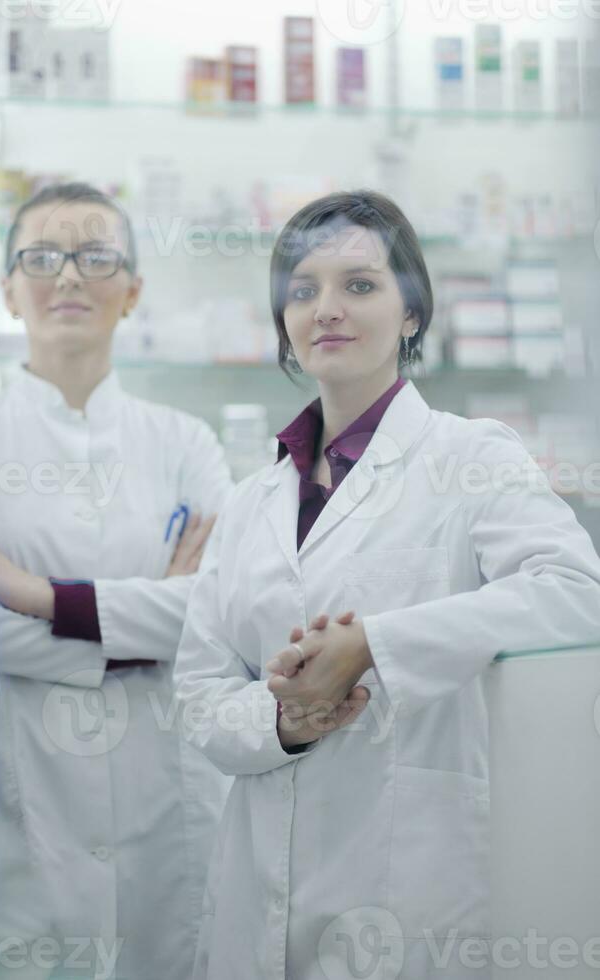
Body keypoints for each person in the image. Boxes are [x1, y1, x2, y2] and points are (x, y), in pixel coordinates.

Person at [173, 190, 600, 980]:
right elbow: (198, 693)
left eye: (360, 285)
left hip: (402, 879)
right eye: (303, 290)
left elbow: (576, 590)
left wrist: (375, 644)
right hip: (257, 878)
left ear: (412, 314)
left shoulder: (472, 457)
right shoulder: (251, 498)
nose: (327, 308)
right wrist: (289, 720)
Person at [0, 183, 232, 980]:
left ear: (132, 291)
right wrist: (137, 639)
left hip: (165, 789)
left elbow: (213, 612)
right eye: (42, 257)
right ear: (7, 288)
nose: (68, 276)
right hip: (18, 795)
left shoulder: (185, 441)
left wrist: (36, 596)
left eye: (95, 257)